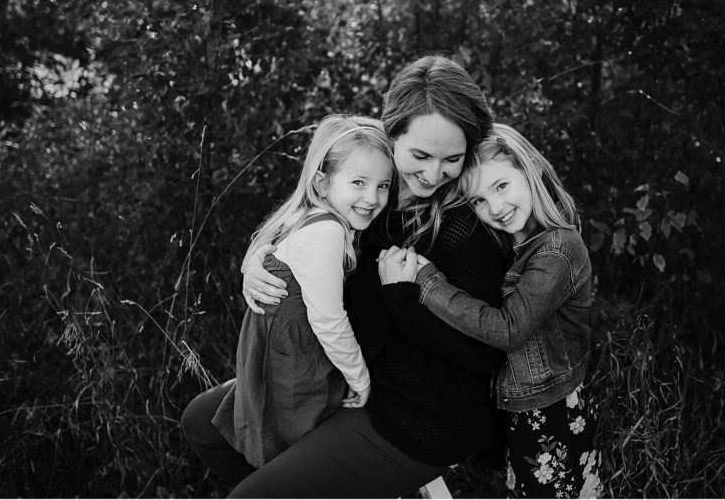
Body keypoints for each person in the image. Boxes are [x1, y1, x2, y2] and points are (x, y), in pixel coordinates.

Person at [182, 55, 510, 498]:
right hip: (345, 374)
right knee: (202, 423)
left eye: (452, 158)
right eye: (419, 155)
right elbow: (303, 227)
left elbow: (485, 355)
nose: (434, 174)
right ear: (389, 135)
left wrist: (403, 300)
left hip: (416, 412)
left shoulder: (467, 228)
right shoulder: (370, 192)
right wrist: (256, 259)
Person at [377, 123, 603, 499]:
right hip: (525, 410)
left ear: (528, 170)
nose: (495, 208)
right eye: (479, 201)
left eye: (501, 187)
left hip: (551, 413)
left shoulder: (557, 250)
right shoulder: (516, 241)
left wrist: (429, 284)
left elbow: (508, 330)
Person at [207, 114, 394, 470]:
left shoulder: (312, 218)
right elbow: (329, 319)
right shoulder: (328, 231)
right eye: (358, 182)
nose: (372, 197)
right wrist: (360, 378)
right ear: (322, 184)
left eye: (383, 185)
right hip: (293, 362)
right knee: (293, 456)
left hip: (279, 354)